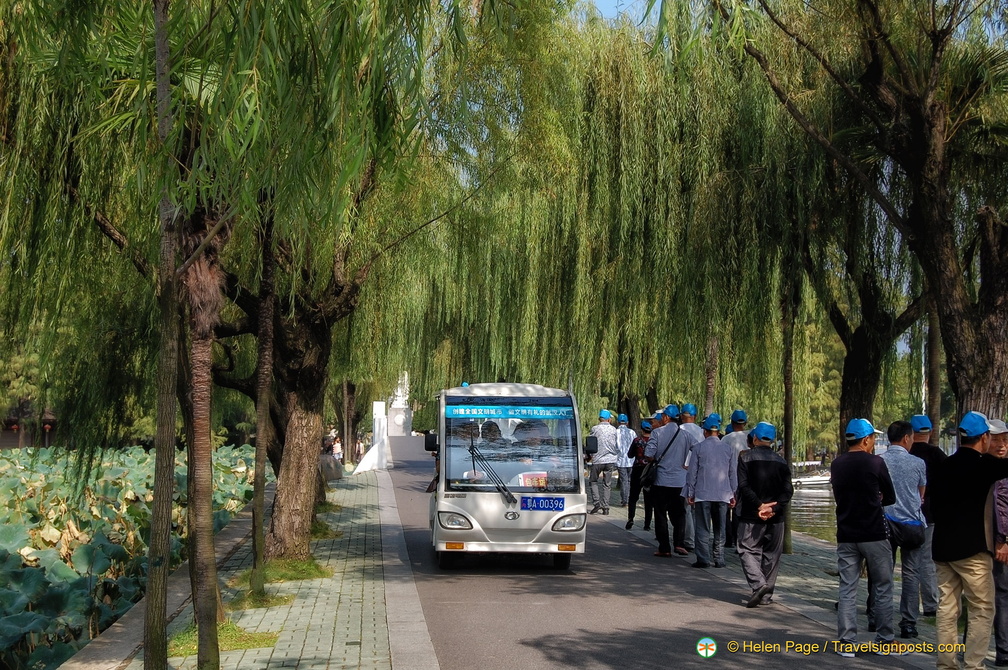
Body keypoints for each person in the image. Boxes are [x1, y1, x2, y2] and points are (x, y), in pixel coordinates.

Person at [931, 412, 1008, 670]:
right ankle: (974, 665)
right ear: (984, 438)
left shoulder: (944, 465)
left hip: (942, 548)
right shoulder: (984, 464)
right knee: (982, 608)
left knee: (947, 609)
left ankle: (946, 664)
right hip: (973, 550)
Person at [830, 418, 898, 656]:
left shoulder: (836, 464)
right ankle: (885, 639)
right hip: (874, 533)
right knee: (882, 585)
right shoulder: (876, 462)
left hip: (846, 533)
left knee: (847, 588)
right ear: (867, 439)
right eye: (873, 439)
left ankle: (847, 642)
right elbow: (890, 497)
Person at [876, 420, 927, 639]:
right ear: (906, 438)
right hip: (912, 525)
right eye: (912, 438)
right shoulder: (918, 463)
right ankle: (908, 623)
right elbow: (921, 493)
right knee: (911, 573)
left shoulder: (878, 461)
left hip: (885, 524)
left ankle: (880, 619)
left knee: (884, 573)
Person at [736, 421, 792, 607]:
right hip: (777, 517)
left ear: (755, 438)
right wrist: (773, 508)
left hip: (751, 514)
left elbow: (743, 486)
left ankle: (759, 585)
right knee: (772, 555)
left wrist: (760, 505)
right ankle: (766, 596)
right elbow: (788, 491)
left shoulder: (745, 458)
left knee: (747, 549)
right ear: (772, 440)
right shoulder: (782, 461)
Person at [684, 414, 736, 568]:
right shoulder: (728, 449)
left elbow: (692, 473)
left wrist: (690, 492)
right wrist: (733, 493)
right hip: (723, 494)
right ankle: (719, 559)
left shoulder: (699, 448)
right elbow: (732, 473)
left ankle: (703, 559)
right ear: (718, 432)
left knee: (702, 527)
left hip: (703, 494)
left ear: (704, 431)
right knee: (720, 528)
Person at [644, 404, 697, 557]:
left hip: (661, 480)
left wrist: (658, 460)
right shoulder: (686, 435)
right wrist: (688, 466)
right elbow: (698, 449)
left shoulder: (657, 433)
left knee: (660, 514)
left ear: (666, 417)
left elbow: (649, 454)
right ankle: (679, 543)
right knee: (679, 514)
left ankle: (664, 547)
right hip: (679, 481)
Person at [908, 413, 945, 618]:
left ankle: (909, 605)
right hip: (930, 514)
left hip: (904, 514)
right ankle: (930, 604)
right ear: (930, 432)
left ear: (911, 433)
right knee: (927, 560)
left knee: (908, 561)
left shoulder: (906, 453)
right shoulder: (938, 455)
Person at [989, 420, 1008, 666]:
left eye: (1005, 440)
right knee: (999, 596)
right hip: (992, 543)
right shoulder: (991, 470)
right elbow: (999, 508)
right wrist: (1002, 540)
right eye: (997, 440)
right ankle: (1003, 651)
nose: (1002, 445)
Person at [722, 409, 750, 549]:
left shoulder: (726, 439)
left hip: (728, 478)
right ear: (745, 423)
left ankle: (728, 540)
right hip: (746, 480)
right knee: (740, 512)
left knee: (726, 511)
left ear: (732, 423)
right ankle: (739, 541)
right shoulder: (751, 437)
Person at [588, 409, 619, 515]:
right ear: (609, 419)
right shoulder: (614, 430)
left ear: (599, 419)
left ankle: (597, 503)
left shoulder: (594, 429)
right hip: (610, 460)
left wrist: (589, 456)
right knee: (607, 484)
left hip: (597, 460)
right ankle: (606, 507)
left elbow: (591, 443)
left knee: (593, 481)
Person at [625, 421, 653, 531]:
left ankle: (631, 518)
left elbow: (630, 455)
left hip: (637, 470)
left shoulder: (637, 441)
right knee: (648, 499)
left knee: (633, 497)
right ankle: (647, 524)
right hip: (649, 472)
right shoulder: (654, 441)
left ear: (642, 430)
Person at [615, 414, 636, 507]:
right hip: (631, 461)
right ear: (627, 423)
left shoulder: (616, 432)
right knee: (630, 481)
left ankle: (625, 501)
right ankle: (630, 499)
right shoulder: (632, 432)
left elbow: (614, 447)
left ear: (618, 422)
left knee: (624, 481)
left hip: (621, 461)